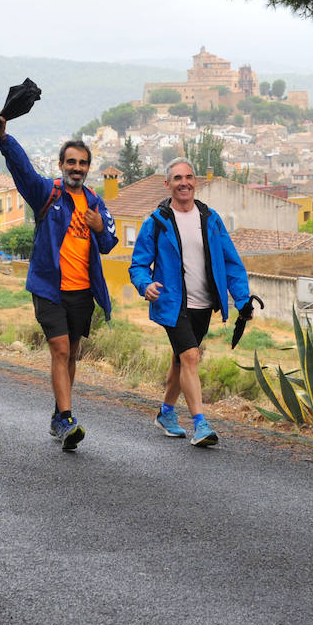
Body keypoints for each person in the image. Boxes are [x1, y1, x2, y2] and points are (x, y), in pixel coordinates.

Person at [0, 112, 117, 452]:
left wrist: (99, 227)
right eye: (71, 162)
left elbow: (109, 243)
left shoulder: (94, 202)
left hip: (82, 292)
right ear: (61, 164)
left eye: (82, 163)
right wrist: (4, 139)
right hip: (49, 289)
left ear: (88, 168)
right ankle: (65, 418)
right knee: (60, 349)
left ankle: (59, 415)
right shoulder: (47, 193)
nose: (76, 168)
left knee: (72, 353)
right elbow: (23, 170)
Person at [128, 158, 252, 448]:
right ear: (167, 183)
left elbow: (231, 262)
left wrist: (243, 299)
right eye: (177, 178)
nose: (184, 182)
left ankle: (166, 413)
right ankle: (200, 424)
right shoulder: (156, 222)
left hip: (203, 304)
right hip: (172, 304)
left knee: (181, 359)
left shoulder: (210, 219)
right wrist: (145, 285)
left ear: (195, 181)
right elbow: (138, 265)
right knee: (191, 357)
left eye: (189, 177)